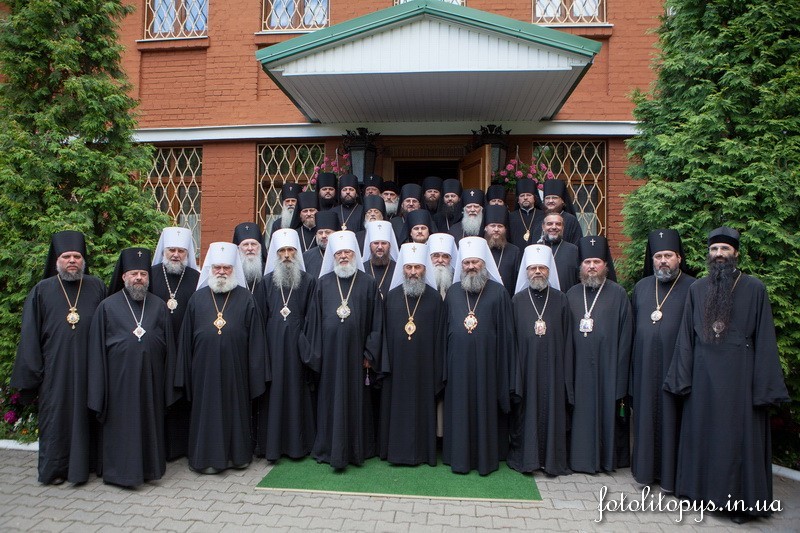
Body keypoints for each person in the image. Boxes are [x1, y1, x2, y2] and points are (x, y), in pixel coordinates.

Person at [664, 227, 788, 523]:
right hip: (703, 376)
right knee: (703, 435)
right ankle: (702, 496)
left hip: (739, 378)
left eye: (724, 249)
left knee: (737, 441)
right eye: (714, 249)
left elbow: (765, 339)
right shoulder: (697, 289)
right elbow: (686, 337)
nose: (719, 254)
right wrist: (682, 378)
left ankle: (740, 505)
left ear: (736, 253)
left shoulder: (754, 288)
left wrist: (763, 387)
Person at [12, 231, 106, 485]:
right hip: (55, 372)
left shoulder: (96, 286)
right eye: (66, 256)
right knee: (56, 420)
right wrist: (34, 373)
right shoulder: (41, 291)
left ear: (83, 260)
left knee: (88, 416)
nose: (72, 260)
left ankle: (87, 467)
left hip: (89, 369)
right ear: (57, 260)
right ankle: (55, 471)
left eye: (77, 256)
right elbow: (30, 336)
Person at [176, 242, 269, 474]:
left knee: (234, 411)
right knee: (206, 413)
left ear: (233, 270)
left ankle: (237, 457)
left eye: (226, 268)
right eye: (217, 267)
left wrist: (255, 373)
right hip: (203, 371)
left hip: (236, 370)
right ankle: (204, 459)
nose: (221, 272)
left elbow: (256, 340)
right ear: (210, 269)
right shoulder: (197, 298)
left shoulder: (246, 298)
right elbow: (186, 340)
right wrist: (184, 372)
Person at [87, 248, 176, 487]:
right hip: (118, 383)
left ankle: (149, 470)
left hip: (151, 382)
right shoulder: (107, 306)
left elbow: (170, 348)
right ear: (124, 276)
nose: (139, 278)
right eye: (134, 274)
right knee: (121, 426)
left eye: (143, 274)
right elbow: (96, 351)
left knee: (148, 424)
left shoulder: (158, 306)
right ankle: (120, 473)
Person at [306, 231, 384, 468]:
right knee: (330, 400)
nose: (343, 256)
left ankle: (356, 449)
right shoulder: (323, 283)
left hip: (357, 357)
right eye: (339, 253)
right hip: (329, 357)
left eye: (347, 252)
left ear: (354, 254)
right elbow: (314, 323)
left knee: (356, 400)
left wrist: (369, 353)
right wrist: (317, 355)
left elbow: (377, 322)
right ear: (333, 255)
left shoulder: (368, 283)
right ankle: (328, 448)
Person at [442, 237, 515, 475]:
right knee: (459, 410)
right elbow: (444, 332)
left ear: (484, 264)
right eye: (467, 263)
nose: (471, 266)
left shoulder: (499, 293)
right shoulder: (453, 292)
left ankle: (485, 459)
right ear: (461, 265)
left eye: (475, 262)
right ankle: (458, 457)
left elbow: (506, 336)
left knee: (485, 408)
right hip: (458, 367)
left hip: (488, 367)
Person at [630, 229, 694, 491]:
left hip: (676, 369)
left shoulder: (692, 288)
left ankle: (671, 477)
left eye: (668, 255)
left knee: (672, 420)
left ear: (679, 258)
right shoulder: (642, 287)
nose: (663, 261)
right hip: (645, 368)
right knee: (645, 419)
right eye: (658, 256)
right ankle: (644, 473)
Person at [566, 236, 632, 474]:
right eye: (587, 262)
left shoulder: (619, 294)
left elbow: (626, 338)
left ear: (606, 265)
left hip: (608, 369)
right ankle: (579, 460)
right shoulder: (572, 294)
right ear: (580, 266)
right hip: (578, 369)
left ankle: (605, 460)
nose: (592, 266)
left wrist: (620, 378)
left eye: (596, 262)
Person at [508, 244, 572, 476]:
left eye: (542, 268)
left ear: (549, 271)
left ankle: (552, 461)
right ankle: (527, 460)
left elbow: (568, 339)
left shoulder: (561, 299)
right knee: (526, 415)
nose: (537, 272)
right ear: (526, 271)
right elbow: (512, 341)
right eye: (533, 268)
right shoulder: (516, 301)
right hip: (525, 371)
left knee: (553, 412)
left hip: (554, 370)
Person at [380, 242, 445, 466]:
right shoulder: (391, 297)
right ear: (403, 269)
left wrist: (437, 370)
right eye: (409, 267)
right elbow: (383, 334)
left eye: (418, 267)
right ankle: (395, 452)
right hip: (396, 367)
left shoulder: (435, 299)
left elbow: (440, 337)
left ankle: (422, 453)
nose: (413, 272)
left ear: (425, 269)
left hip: (424, 368)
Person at [254, 229, 316, 462]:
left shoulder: (308, 281)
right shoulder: (266, 282)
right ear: (276, 254)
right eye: (282, 251)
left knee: (297, 394)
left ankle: (298, 446)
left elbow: (313, 318)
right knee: (273, 397)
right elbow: (260, 319)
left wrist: (305, 347)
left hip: (298, 351)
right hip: (272, 350)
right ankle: (271, 447)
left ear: (297, 253)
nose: (287, 255)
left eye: (291, 250)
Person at [483, 205, 522, 296]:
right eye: (492, 226)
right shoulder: (479, 248)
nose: (496, 229)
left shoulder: (514, 251)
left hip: (506, 297)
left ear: (505, 229)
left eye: (500, 226)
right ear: (485, 228)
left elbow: (517, 280)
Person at [538, 212, 579, 291]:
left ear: (563, 227)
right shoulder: (535, 249)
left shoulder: (573, 250)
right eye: (549, 224)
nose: (554, 227)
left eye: (558, 224)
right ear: (543, 227)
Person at [362, 220, 399, 300]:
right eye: (376, 243)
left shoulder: (398, 269)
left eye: (384, 243)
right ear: (370, 245)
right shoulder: (362, 269)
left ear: (389, 246)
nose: (380, 247)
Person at [541, 179, 583, 245]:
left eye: (554, 198)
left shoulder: (571, 220)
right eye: (547, 198)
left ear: (562, 201)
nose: (550, 201)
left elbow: (576, 245)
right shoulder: (538, 218)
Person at [508, 178, 543, 249]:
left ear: (534, 198)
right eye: (522, 196)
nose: (525, 198)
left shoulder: (543, 216)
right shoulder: (510, 217)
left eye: (529, 195)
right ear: (518, 200)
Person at [302, 210, 339, 279]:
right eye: (320, 233)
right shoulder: (306, 257)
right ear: (316, 235)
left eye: (327, 232)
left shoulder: (343, 254)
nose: (323, 236)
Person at [232, 222, 266, 294]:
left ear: (260, 247)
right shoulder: (231, 272)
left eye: (253, 244)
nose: (250, 248)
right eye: (245, 245)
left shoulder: (267, 271)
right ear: (238, 248)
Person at [429, 233, 457, 300]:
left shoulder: (456, 282)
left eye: (445, 256)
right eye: (436, 256)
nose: (440, 260)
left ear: (450, 259)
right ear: (430, 258)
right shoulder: (423, 280)